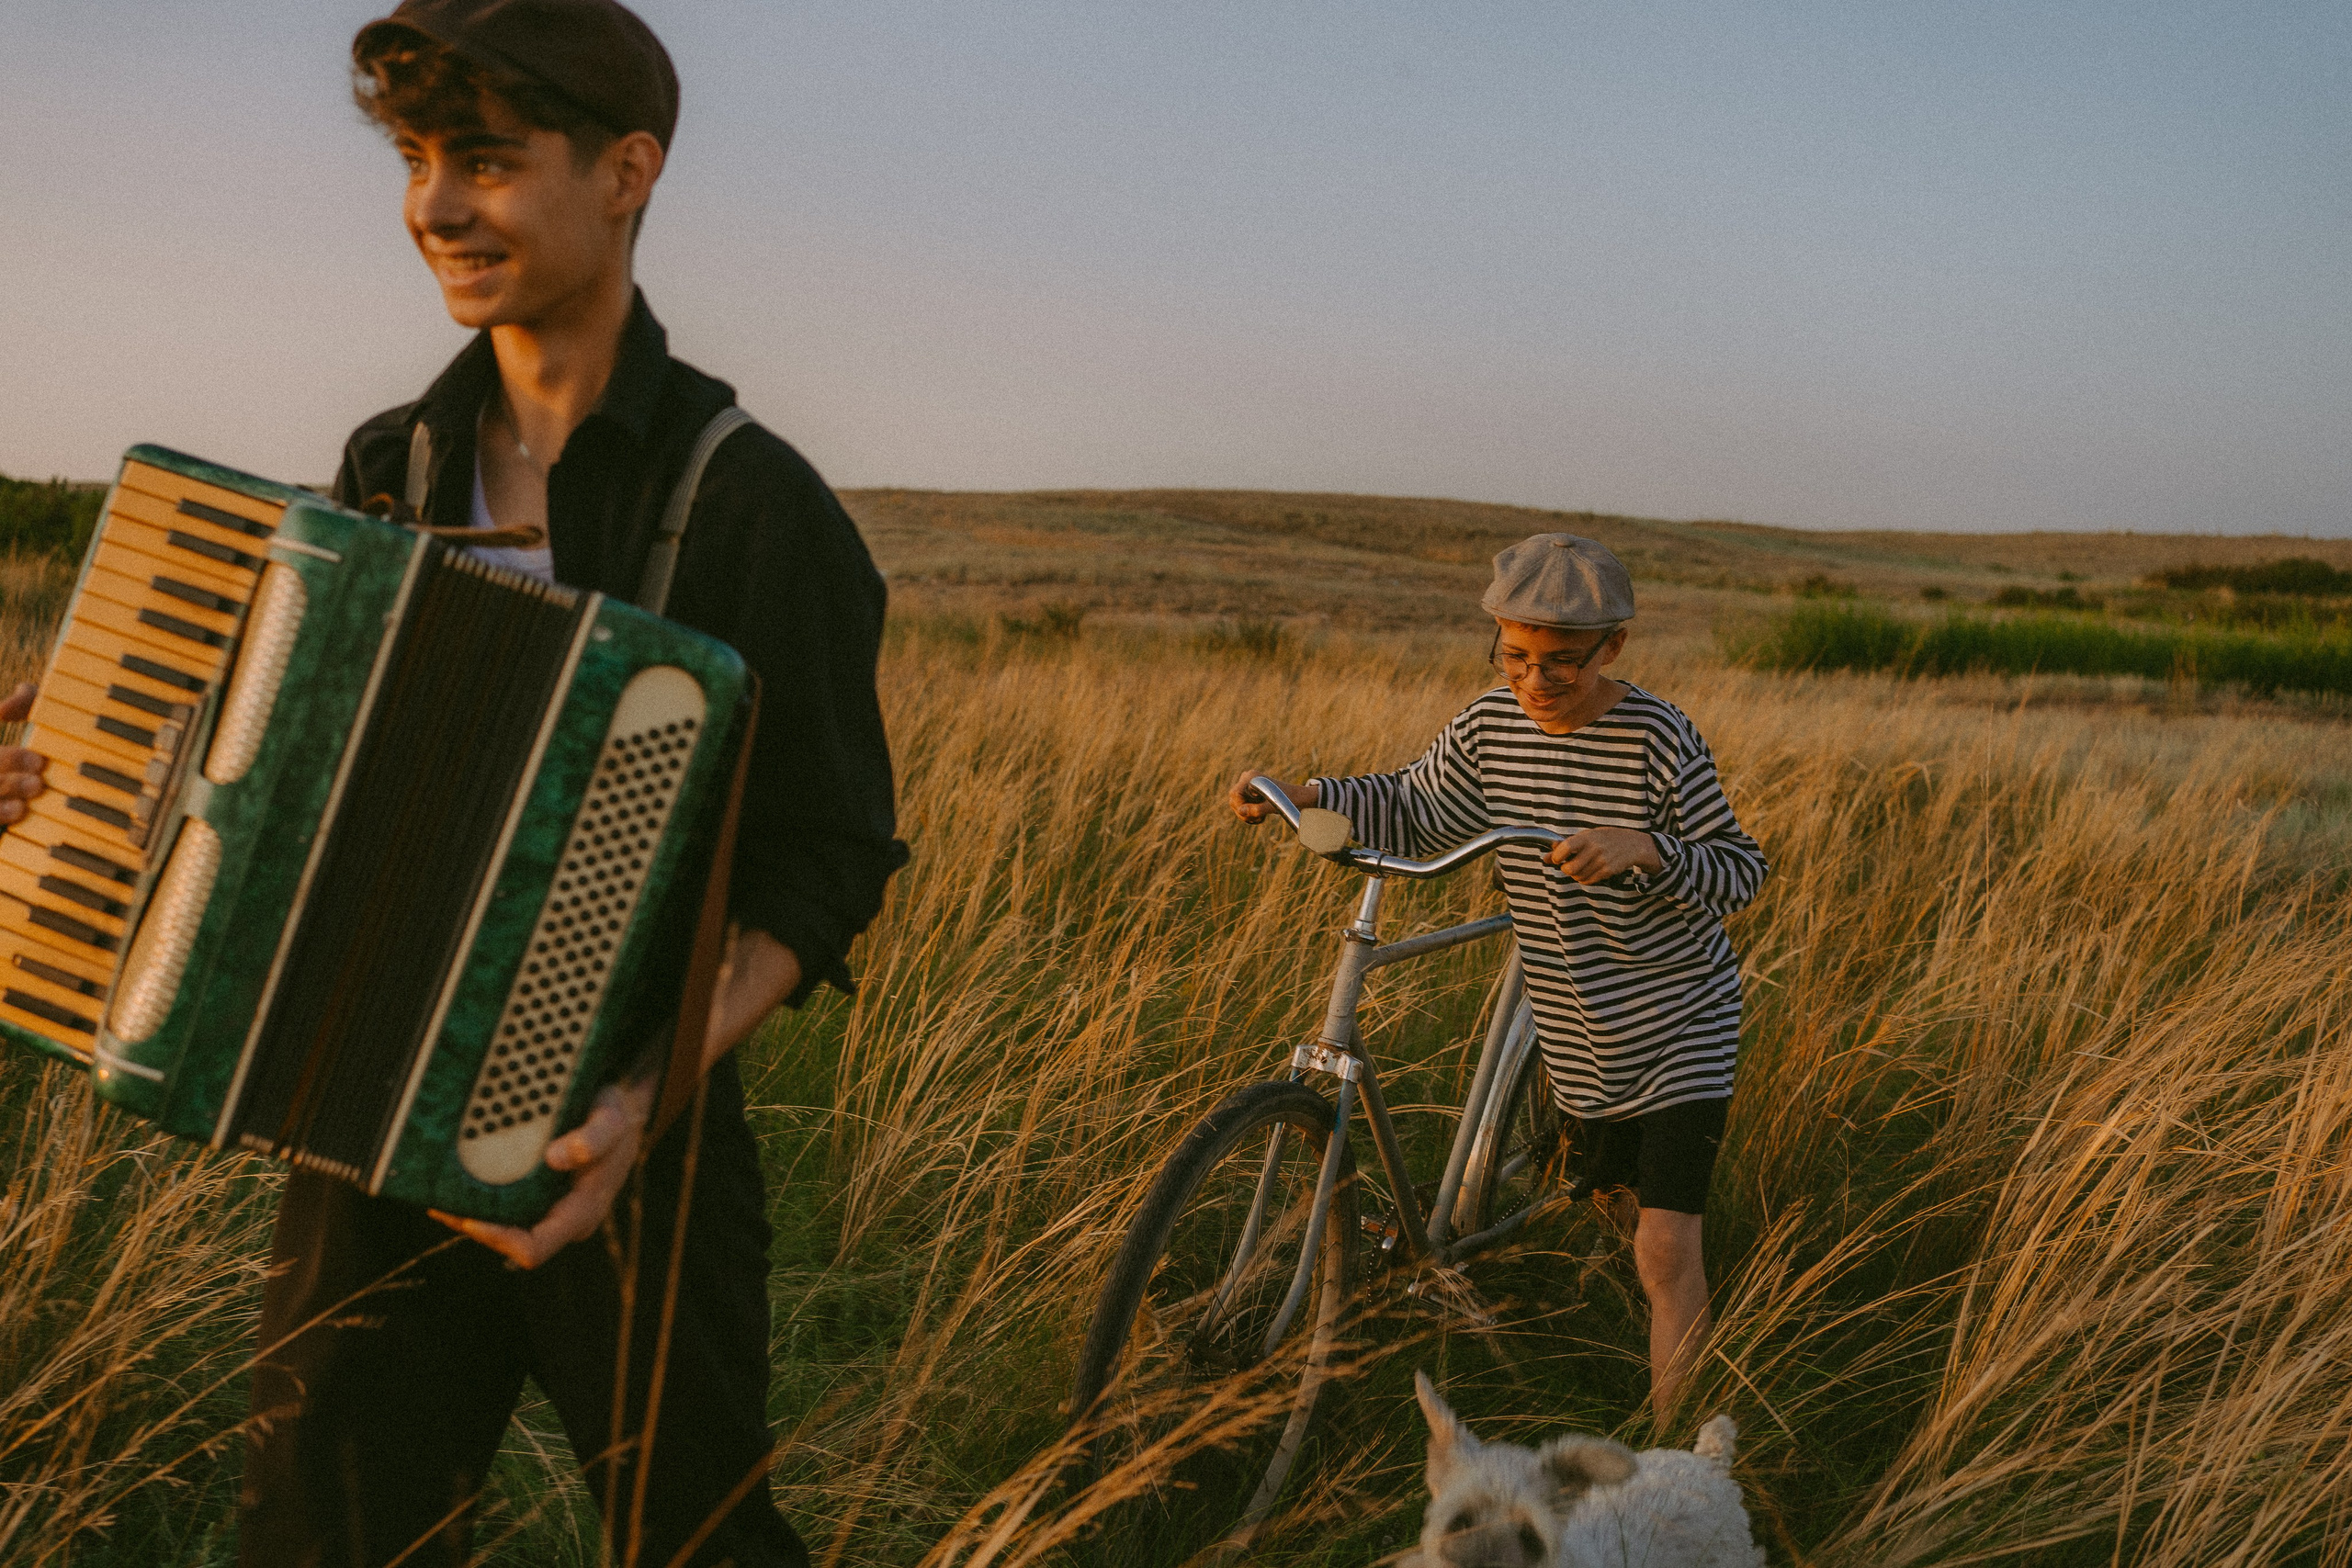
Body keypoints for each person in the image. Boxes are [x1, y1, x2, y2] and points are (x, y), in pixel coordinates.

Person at [120, 3, 908, 1562]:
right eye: (415, 159)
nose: (432, 204)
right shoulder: (385, 469)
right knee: (321, 1529)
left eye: (483, 159)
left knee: (698, 1532)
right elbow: (265, 784)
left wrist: (631, 1111)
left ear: (626, 173)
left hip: (642, 1145)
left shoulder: (755, 503)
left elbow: (827, 858)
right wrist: (87, 786)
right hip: (359, 1131)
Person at [1227, 535, 1766, 1420]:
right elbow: (1413, 803)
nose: (1534, 681)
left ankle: (1677, 1472)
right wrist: (1309, 792)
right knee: (1616, 1211)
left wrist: (1650, 848)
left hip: (1678, 1018)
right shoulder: (1487, 724)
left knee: (1666, 1248)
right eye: (1514, 656)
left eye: (1561, 663)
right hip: (1576, 1022)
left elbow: (1740, 869)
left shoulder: (1659, 738)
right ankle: (1622, 1324)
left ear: (1613, 648)